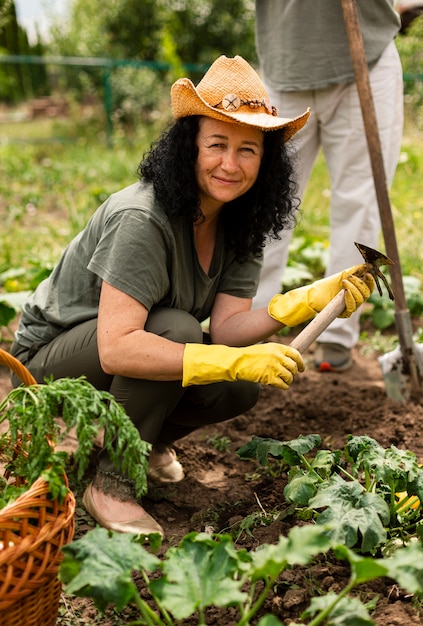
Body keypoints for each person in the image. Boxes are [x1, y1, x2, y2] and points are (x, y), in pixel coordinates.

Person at [9, 55, 375, 539]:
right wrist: (227, 360)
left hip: (112, 360)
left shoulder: (241, 221)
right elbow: (117, 346)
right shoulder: (143, 218)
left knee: (238, 382)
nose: (230, 163)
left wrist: (303, 302)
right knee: (178, 331)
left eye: (248, 149)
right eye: (216, 144)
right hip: (41, 375)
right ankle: (111, 484)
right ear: (189, 148)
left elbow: (227, 330)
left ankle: (142, 439)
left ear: (265, 161)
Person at [253, 0, 404, 372]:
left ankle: (335, 332)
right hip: (283, 67)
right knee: (263, 204)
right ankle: (245, 330)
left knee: (361, 204)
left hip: (366, 60)